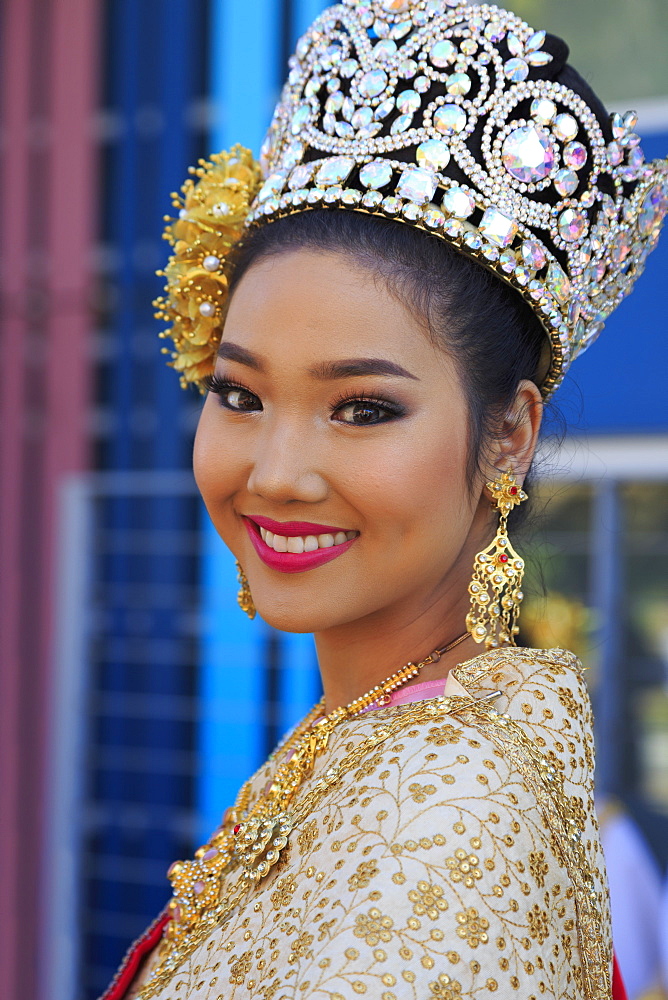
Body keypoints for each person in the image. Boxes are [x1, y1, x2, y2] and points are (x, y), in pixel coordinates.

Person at [101, 1, 667, 997]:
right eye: (237, 393)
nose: (274, 469)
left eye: (360, 408)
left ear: (508, 433)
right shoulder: (368, 727)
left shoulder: (446, 811)